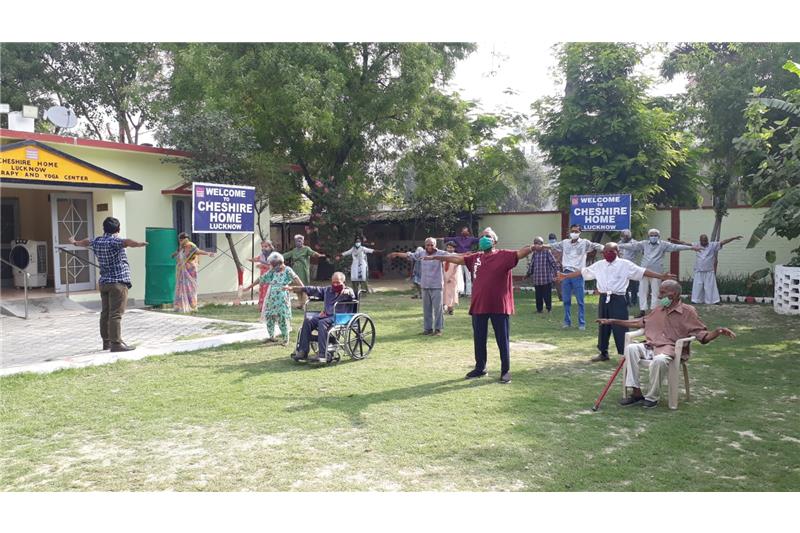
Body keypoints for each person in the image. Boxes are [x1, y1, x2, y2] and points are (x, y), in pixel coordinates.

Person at [596, 280, 736, 408]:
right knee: (631, 348)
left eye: (662, 293)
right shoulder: (658, 309)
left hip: (670, 350)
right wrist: (612, 321)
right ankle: (636, 393)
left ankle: (652, 397)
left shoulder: (688, 312)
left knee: (659, 360)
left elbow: (702, 336)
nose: (658, 296)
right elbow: (638, 322)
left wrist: (717, 332)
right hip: (651, 346)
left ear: (673, 294)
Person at [426, 227, 534, 384]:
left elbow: (520, 253)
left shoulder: (505, 255)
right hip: (479, 304)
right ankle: (480, 368)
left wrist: (532, 247)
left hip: (499, 305)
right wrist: (439, 258)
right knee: (479, 338)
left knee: (502, 339)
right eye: (482, 236)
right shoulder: (476, 257)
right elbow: (458, 259)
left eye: (488, 236)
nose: (484, 238)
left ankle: (505, 371)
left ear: (495, 241)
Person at [557, 242, 677, 362]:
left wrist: (661, 276)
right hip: (604, 298)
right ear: (603, 253)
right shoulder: (599, 265)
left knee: (620, 325)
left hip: (618, 298)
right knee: (603, 325)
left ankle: (624, 353)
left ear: (618, 252)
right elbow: (583, 271)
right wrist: (565, 276)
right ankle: (603, 352)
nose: (608, 254)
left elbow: (643, 271)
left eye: (611, 252)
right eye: (606, 252)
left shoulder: (625, 264)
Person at [69, 216, 147, 352]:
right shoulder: (114, 241)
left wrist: (75, 242)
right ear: (118, 229)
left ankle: (107, 342)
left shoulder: (97, 241)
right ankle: (116, 343)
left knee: (105, 313)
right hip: (118, 283)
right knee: (115, 314)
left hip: (104, 283)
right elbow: (127, 242)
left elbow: (86, 242)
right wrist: (140, 244)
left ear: (104, 228)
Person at [619, 229, 699, 314]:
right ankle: (643, 310)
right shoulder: (644, 244)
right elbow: (631, 246)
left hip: (657, 272)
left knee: (656, 291)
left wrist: (691, 248)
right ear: (648, 237)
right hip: (644, 271)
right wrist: (618, 245)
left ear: (659, 236)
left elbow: (676, 247)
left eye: (655, 235)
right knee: (642, 291)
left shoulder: (663, 244)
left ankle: (654, 310)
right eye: (651, 235)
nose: (653, 237)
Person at [288, 272, 356, 363]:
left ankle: (322, 355)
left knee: (322, 322)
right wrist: (294, 288)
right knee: (308, 321)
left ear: (343, 282)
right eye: (333, 282)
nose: (335, 284)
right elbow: (313, 289)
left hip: (341, 316)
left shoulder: (347, 291)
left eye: (338, 282)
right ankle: (303, 351)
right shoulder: (328, 290)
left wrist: (348, 291)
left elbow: (352, 295)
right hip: (327, 315)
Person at [547, 224, 604, 330]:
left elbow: (596, 245)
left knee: (580, 301)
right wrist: (539, 247)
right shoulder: (565, 243)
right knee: (566, 300)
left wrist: (605, 248)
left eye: (576, 231)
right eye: (572, 231)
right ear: (570, 232)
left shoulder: (584, 243)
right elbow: (553, 246)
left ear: (580, 232)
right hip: (566, 274)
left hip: (578, 274)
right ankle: (567, 322)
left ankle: (581, 323)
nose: (574, 233)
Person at [388, 238, 448, 336]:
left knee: (438, 309)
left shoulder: (441, 253)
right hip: (424, 285)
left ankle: (438, 330)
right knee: (426, 309)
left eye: (432, 245)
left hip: (436, 285)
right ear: (425, 245)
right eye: (428, 245)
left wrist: (467, 255)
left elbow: (453, 256)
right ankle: (427, 329)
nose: (430, 247)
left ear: (435, 245)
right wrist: (396, 254)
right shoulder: (421, 254)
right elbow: (409, 255)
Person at [241, 252, 303, 345]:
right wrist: (249, 287)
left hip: (282, 298)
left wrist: (304, 288)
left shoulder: (287, 270)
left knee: (282, 317)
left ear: (280, 263)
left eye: (273, 265)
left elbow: (296, 278)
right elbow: (261, 278)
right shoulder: (273, 271)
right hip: (271, 297)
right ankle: (271, 337)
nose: (272, 267)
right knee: (269, 316)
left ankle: (286, 339)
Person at [669, 234, 743, 305]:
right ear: (700, 240)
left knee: (710, 287)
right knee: (697, 286)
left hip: (709, 271)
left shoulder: (712, 245)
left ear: (707, 240)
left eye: (705, 240)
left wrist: (734, 238)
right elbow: (684, 243)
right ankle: (696, 300)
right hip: (699, 271)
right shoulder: (696, 244)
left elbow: (723, 242)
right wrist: (674, 240)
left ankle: (714, 301)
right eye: (703, 240)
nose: (704, 242)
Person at [171, 232, 215, 313]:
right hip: (182, 271)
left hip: (190, 271)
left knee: (190, 288)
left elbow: (197, 251)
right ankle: (179, 306)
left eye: (181, 239)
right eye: (179, 240)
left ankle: (192, 306)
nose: (180, 241)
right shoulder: (182, 246)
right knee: (180, 288)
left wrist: (208, 253)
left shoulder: (190, 245)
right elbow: (178, 252)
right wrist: (173, 255)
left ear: (185, 239)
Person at [441, 227, 480, 296]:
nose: (464, 233)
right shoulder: (457, 238)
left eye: (465, 231)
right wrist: (435, 239)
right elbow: (447, 239)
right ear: (461, 232)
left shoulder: (471, 239)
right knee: (459, 275)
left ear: (468, 233)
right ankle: (460, 291)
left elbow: (479, 240)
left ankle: (468, 292)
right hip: (458, 259)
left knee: (468, 276)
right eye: (463, 231)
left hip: (467, 259)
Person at [526, 236, 558, 313]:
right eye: (535, 243)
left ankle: (548, 308)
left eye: (539, 243)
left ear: (542, 244)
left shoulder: (547, 252)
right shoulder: (534, 253)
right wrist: (529, 273)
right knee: (538, 296)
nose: (537, 245)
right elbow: (532, 265)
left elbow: (553, 263)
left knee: (547, 295)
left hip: (546, 279)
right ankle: (539, 309)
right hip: (537, 279)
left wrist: (557, 272)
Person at [247, 239, 275, 310]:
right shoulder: (262, 255)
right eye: (262, 247)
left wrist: (262, 265)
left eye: (265, 246)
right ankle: (261, 306)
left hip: (270, 277)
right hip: (263, 275)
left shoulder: (274, 255)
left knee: (267, 291)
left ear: (270, 247)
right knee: (262, 290)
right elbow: (257, 259)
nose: (263, 248)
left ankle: (268, 306)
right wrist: (251, 259)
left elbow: (273, 266)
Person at [618, 229, 641, 307]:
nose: (623, 237)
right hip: (622, 267)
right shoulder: (619, 243)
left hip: (632, 267)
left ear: (629, 236)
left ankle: (634, 301)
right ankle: (627, 302)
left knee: (634, 286)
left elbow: (635, 249)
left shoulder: (634, 243)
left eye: (625, 236)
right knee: (624, 286)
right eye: (622, 236)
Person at [442, 241, 464, 314]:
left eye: (451, 248)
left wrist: (450, 278)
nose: (449, 249)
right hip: (444, 277)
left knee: (451, 294)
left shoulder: (456, 256)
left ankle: (450, 309)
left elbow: (456, 269)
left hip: (452, 278)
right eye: (448, 247)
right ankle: (444, 307)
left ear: (454, 248)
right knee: (444, 293)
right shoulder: (444, 256)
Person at [548, 233, 563, 301]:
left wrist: (556, 261)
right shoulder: (556, 245)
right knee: (558, 282)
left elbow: (561, 254)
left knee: (555, 282)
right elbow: (561, 254)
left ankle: (560, 296)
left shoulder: (549, 246)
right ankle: (560, 297)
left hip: (553, 266)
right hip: (555, 266)